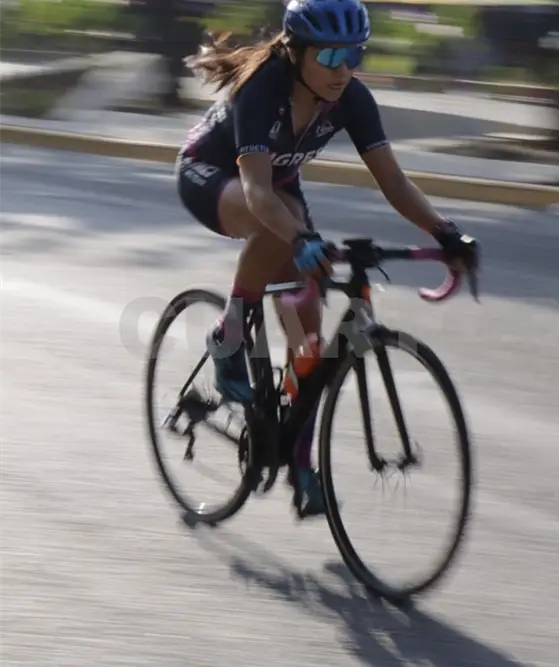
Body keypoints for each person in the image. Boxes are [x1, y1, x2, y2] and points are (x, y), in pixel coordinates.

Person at [175, 0, 478, 518]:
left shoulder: (351, 98)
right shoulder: (263, 87)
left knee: (309, 346)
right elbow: (257, 192)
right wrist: (299, 239)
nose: (344, 69)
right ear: (296, 51)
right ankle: (228, 336)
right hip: (212, 176)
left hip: (279, 196)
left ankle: (297, 456)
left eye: (355, 55)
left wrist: (446, 233)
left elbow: (394, 182)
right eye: (332, 55)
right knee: (285, 223)